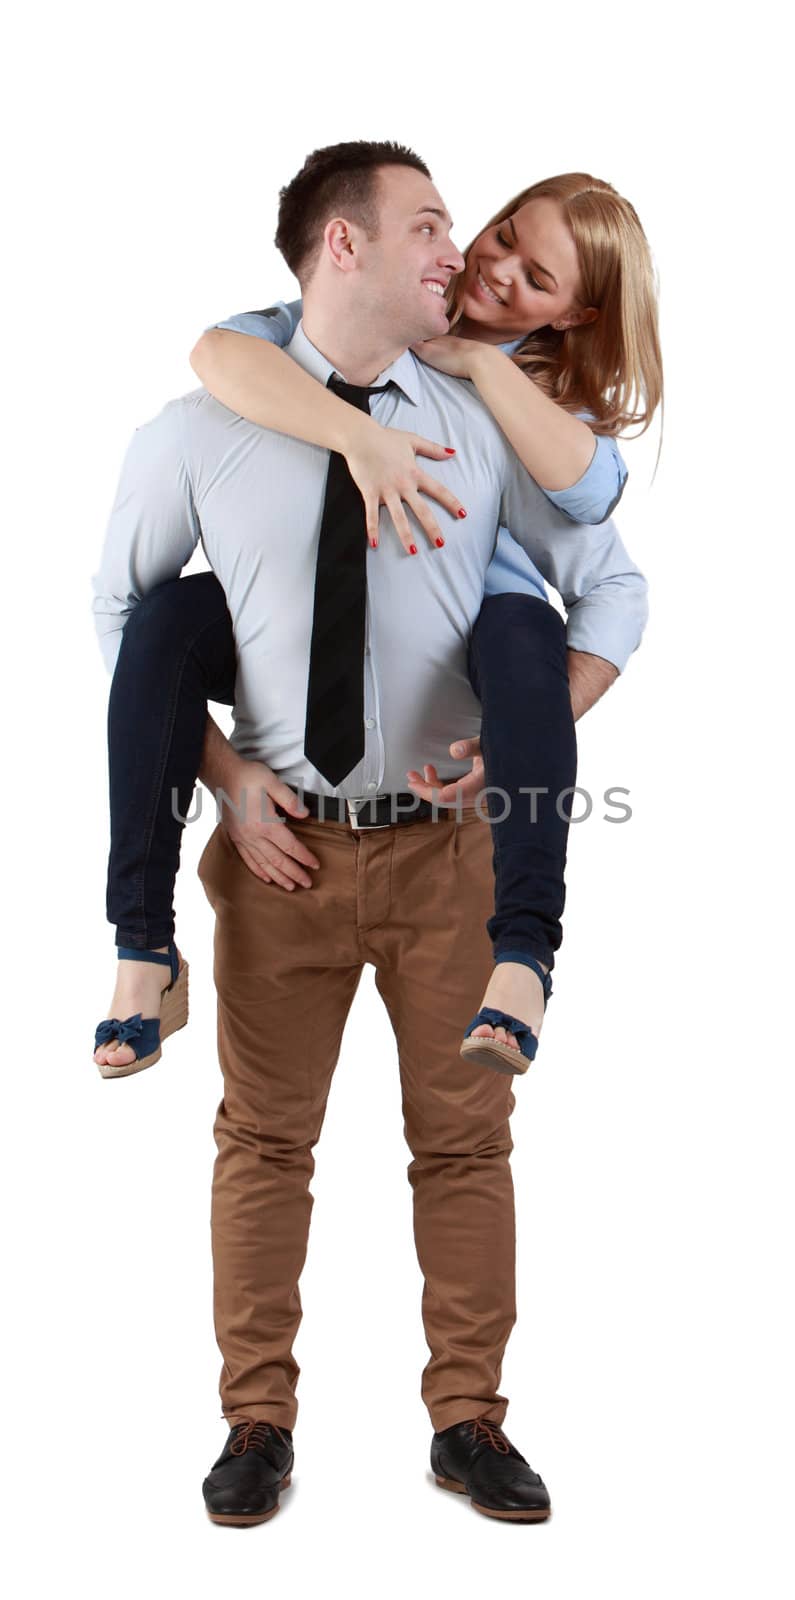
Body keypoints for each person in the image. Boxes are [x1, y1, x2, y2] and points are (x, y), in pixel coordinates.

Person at [91, 140, 649, 1524]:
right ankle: (254, 1425)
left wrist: (530, 736)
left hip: (443, 854)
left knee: (463, 1145)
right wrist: (223, 776)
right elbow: (126, 622)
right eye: (432, 224)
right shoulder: (204, 423)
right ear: (342, 247)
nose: (456, 253)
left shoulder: (478, 417)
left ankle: (466, 1417)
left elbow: (611, 580)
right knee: (261, 1141)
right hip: (281, 856)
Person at [92, 166, 658, 1080]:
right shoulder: (285, 357)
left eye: (537, 279)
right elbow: (216, 352)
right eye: (503, 234)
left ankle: (526, 957)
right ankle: (141, 946)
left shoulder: (512, 415)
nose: (490, 266)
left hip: (463, 668)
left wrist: (538, 722)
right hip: (295, 644)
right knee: (168, 617)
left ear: (572, 318)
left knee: (519, 629)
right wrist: (358, 435)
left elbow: (597, 512)